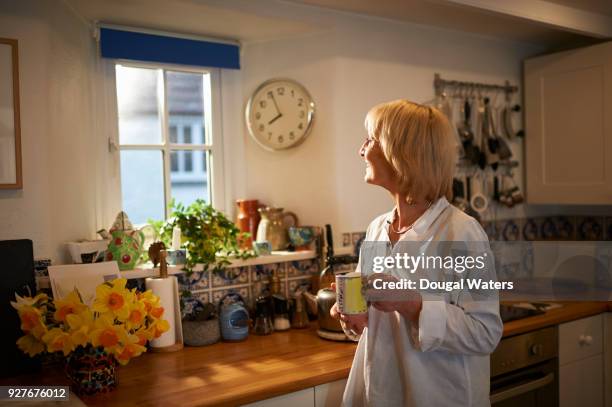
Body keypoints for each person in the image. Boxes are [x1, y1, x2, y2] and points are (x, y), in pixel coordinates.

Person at [331, 100, 503, 406]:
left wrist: (412, 303)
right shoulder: (376, 229)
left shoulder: (462, 233)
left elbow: (485, 333)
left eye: (370, 140)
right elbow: (375, 330)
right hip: (381, 394)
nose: (361, 150)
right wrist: (354, 318)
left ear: (401, 154)